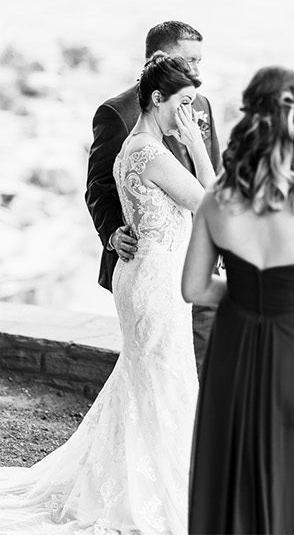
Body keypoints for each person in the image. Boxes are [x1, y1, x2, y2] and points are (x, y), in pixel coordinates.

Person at [0, 53, 211, 534]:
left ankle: (145, 478)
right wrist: (198, 146)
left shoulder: (139, 147)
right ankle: (157, 490)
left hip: (148, 278)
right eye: (182, 105)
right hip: (155, 284)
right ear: (157, 100)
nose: (189, 116)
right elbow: (211, 206)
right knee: (164, 383)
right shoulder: (150, 154)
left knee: (147, 385)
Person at [183, 66, 294, 534]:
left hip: (236, 347)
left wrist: (248, 295)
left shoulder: (217, 199)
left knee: (236, 469)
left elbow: (195, 289)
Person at [85, 20, 221, 379]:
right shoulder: (118, 113)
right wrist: (114, 232)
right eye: (189, 61)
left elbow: (216, 169)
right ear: (159, 58)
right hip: (153, 264)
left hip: (198, 254)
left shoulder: (199, 102)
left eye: (199, 61)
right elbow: (99, 186)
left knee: (199, 363)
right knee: (159, 369)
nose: (196, 72)